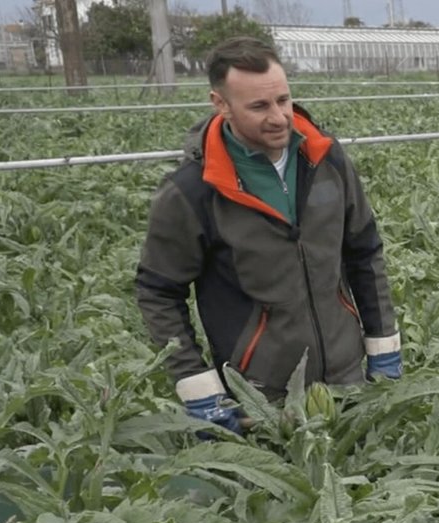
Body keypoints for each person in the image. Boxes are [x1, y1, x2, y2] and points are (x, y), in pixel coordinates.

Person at [134, 37, 401, 435]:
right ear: (221, 104)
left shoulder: (327, 160)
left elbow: (364, 252)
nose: (278, 117)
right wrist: (198, 387)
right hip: (260, 397)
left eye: (283, 100)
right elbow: (158, 291)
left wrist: (383, 347)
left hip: (348, 382)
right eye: (259, 106)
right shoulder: (193, 191)